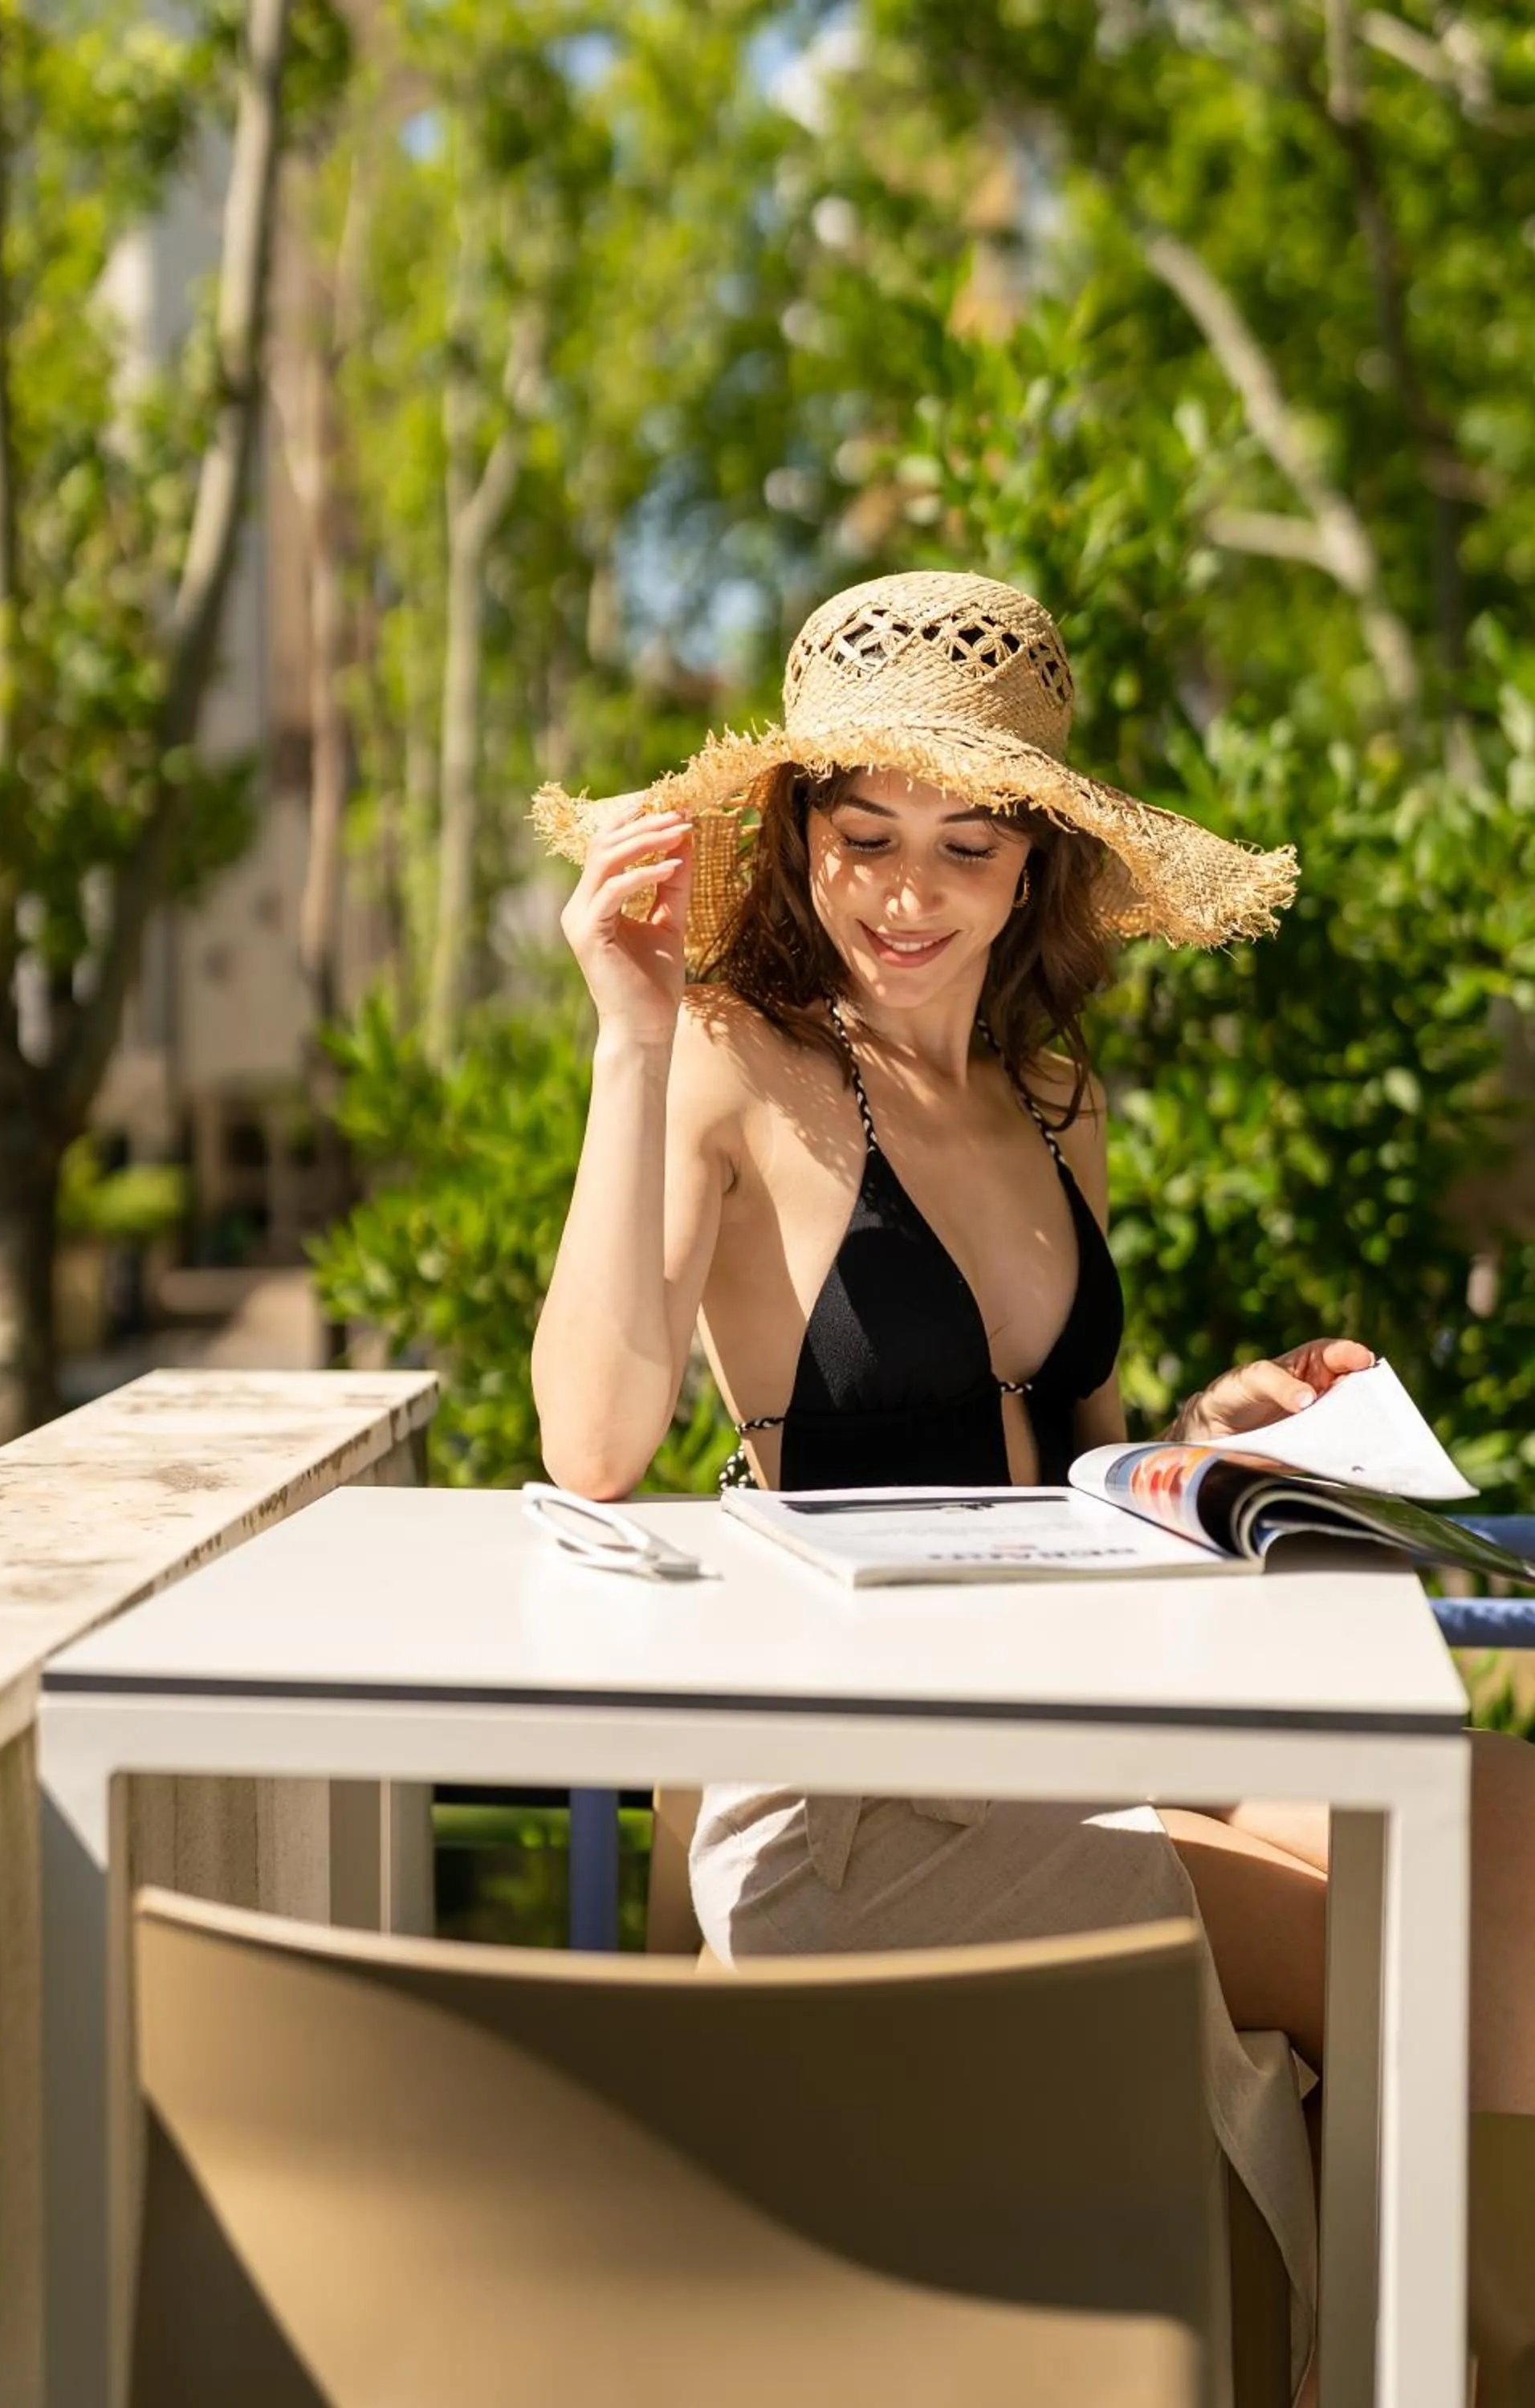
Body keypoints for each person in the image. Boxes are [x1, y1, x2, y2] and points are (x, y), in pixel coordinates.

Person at [531, 571, 1535, 2396]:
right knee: (1406, 1917)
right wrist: (625, 1027)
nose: (907, 896)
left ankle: (1434, 2354)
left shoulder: (1050, 1098)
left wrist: (1223, 1433)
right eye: (863, 838)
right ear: (799, 833)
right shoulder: (731, 1064)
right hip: (864, 1802)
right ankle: (1421, 2364)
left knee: (1501, 1812)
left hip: (1070, 1742)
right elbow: (590, 1444)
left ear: (1033, 868)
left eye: (965, 848)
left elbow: (1072, 1468)